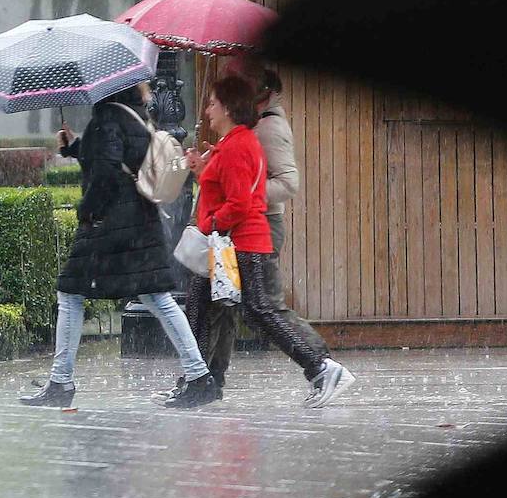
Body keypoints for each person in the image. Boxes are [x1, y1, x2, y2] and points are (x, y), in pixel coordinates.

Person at [21, 83, 218, 409]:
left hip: (109, 226)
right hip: (140, 222)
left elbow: (108, 169)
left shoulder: (106, 117)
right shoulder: (135, 116)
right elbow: (122, 154)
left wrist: (87, 209)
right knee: (157, 297)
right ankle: (198, 376)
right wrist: (76, 148)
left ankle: (61, 381)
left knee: (70, 293)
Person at [183, 75, 355, 409]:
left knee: (260, 310)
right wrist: (205, 170)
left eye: (213, 104)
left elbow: (242, 200)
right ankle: (198, 381)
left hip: (244, 242)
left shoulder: (241, 142)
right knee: (203, 304)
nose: (207, 111)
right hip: (233, 242)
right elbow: (230, 189)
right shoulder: (233, 141)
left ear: (230, 107)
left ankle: (321, 367)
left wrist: (213, 223)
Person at [203, 67, 327, 392]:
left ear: (263, 91)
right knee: (225, 306)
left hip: (258, 227)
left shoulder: (268, 129)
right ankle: (208, 378)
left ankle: (321, 364)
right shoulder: (246, 131)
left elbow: (288, 183)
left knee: (265, 308)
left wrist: (245, 192)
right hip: (238, 226)